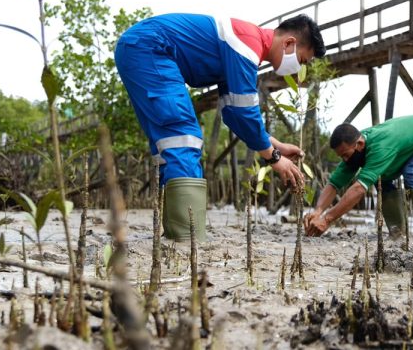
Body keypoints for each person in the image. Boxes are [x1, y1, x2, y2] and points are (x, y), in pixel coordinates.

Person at [115, 13, 325, 241]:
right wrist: (274, 158)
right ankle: (185, 238)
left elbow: (234, 114)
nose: (298, 68)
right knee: (182, 136)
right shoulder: (247, 45)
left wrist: (275, 145)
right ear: (289, 43)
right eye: (302, 60)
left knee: (168, 142)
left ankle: (176, 232)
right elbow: (245, 112)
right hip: (150, 48)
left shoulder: (245, 47)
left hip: (140, 48)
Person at [305, 115, 413, 243]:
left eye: (345, 155)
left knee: (412, 173)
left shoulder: (380, 148)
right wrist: (318, 211)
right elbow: (333, 184)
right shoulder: (353, 148)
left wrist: (327, 219)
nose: (344, 160)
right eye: (341, 156)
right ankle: (398, 234)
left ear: (360, 144)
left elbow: (358, 189)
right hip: (411, 139)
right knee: (381, 178)